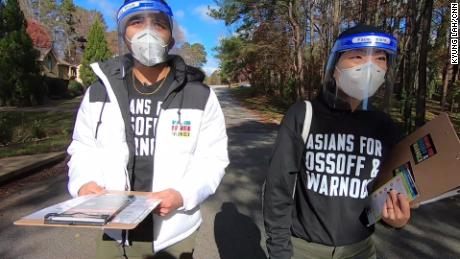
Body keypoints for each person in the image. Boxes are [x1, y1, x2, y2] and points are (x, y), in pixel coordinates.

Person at [67, 0, 229, 258]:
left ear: (171, 37)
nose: (148, 31)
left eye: (159, 24)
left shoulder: (199, 95)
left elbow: (213, 159)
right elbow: (84, 147)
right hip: (113, 227)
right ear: (123, 35)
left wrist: (182, 195)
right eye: (136, 22)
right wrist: (84, 182)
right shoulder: (99, 92)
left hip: (173, 232)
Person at [263, 24, 411, 259]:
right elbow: (278, 188)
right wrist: (279, 250)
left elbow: (390, 189)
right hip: (304, 249)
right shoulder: (304, 114)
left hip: (360, 249)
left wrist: (398, 219)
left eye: (380, 58)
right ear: (335, 68)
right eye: (357, 57)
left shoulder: (385, 127)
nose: (370, 67)